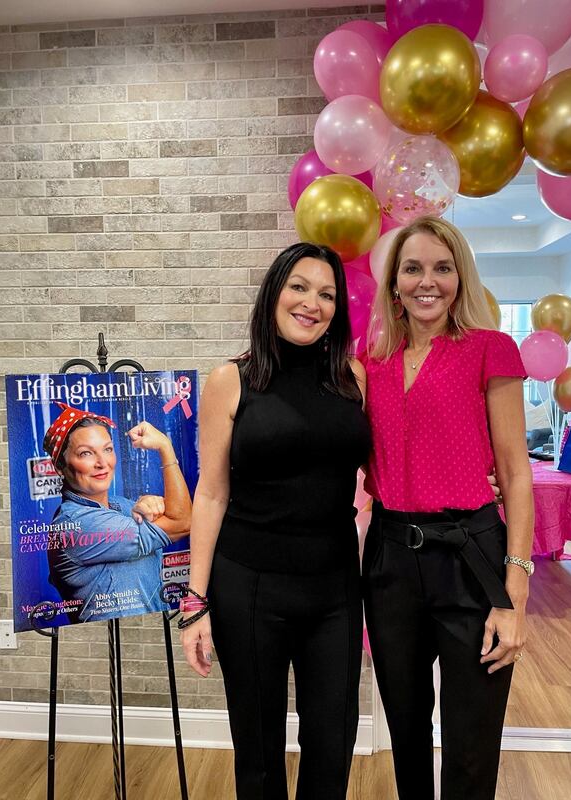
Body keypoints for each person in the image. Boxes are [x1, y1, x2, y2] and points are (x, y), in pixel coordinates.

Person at [180, 242, 372, 800]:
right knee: (258, 752)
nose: (312, 303)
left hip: (335, 588)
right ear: (274, 293)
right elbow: (212, 493)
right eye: (299, 287)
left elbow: (388, 462)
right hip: (250, 587)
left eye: (327, 293)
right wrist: (195, 602)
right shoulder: (230, 380)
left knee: (332, 745)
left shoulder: (352, 376)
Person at [362, 216, 534, 800]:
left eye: (442, 267)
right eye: (413, 268)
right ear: (394, 281)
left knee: (470, 743)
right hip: (389, 561)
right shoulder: (372, 357)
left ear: (461, 276)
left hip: (472, 557)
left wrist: (515, 591)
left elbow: (515, 474)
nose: (427, 281)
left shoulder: (491, 349)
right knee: (406, 732)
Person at [43, 402, 192, 622]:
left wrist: (153, 505)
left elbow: (175, 513)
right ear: (60, 466)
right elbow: (182, 521)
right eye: (86, 453)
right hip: (108, 643)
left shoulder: (120, 504)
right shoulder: (74, 524)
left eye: (108, 449)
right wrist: (165, 447)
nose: (102, 463)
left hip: (150, 632)